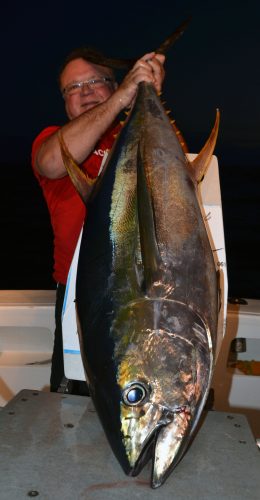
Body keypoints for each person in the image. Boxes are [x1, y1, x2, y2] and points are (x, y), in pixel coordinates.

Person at [31, 46, 165, 394]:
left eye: (95, 81)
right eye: (73, 88)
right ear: (64, 102)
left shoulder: (133, 135)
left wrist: (147, 94)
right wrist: (123, 97)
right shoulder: (52, 141)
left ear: (114, 84)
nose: (86, 91)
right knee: (74, 397)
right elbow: (51, 164)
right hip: (81, 295)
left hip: (147, 287)